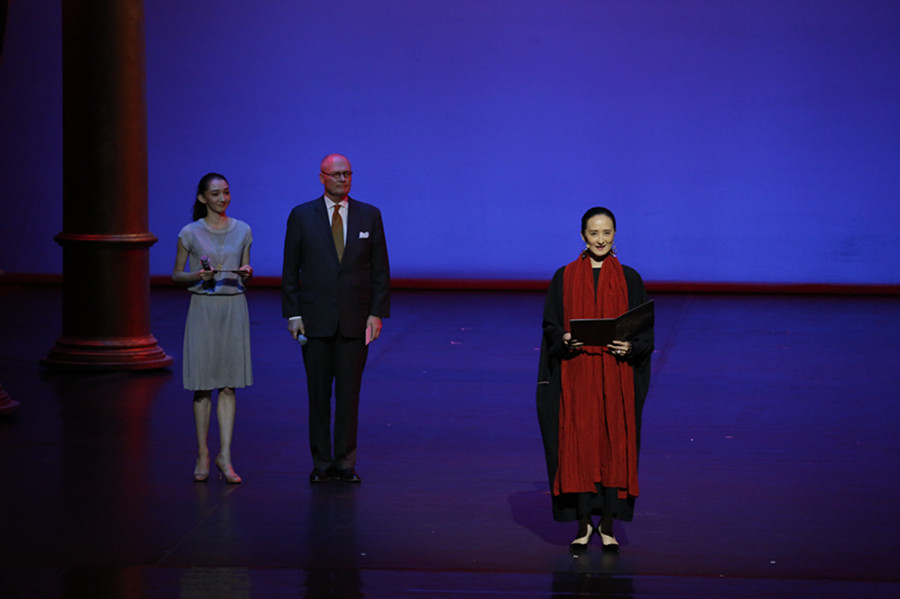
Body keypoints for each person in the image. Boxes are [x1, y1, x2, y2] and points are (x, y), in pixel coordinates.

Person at [537, 206, 653, 553]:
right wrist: (565, 340)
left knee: (611, 445)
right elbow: (551, 325)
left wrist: (629, 347)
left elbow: (644, 331)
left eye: (606, 233)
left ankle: (608, 525)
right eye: (593, 233)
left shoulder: (630, 278)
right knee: (580, 445)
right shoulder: (564, 276)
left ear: (615, 234)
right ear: (583, 236)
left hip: (615, 375)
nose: (600, 239)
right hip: (578, 374)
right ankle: (583, 523)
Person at [282, 154, 390, 484]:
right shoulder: (302, 216)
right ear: (322, 177)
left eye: (347, 174)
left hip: (355, 320)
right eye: (336, 174)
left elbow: (380, 270)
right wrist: (294, 314)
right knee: (318, 395)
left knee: (348, 395)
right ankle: (321, 461)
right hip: (315, 320)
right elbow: (290, 270)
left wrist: (376, 313)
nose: (343, 179)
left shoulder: (369, 215)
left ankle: (345, 461)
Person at [172, 172, 253, 484]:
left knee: (229, 385)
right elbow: (176, 275)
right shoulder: (190, 233)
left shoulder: (243, 229)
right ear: (202, 198)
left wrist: (246, 271)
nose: (223, 199)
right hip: (204, 309)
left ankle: (226, 455)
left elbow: (245, 273)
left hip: (233, 307)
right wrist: (197, 276)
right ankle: (203, 453)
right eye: (216, 194)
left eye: (227, 193)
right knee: (203, 385)